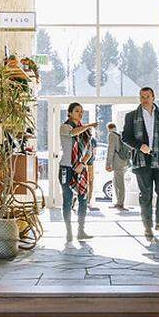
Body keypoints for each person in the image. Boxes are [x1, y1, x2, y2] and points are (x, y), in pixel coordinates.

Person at [121, 87, 159, 240]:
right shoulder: (131, 116)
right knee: (145, 195)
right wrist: (140, 146)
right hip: (142, 161)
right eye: (142, 96)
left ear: (153, 97)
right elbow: (125, 137)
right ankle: (147, 226)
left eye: (147, 96)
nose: (144, 99)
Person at [59, 103, 98, 243]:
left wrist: (82, 163)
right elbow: (72, 133)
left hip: (80, 168)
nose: (80, 113)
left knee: (83, 200)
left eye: (82, 111)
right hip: (66, 168)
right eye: (77, 111)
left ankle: (81, 231)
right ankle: (68, 232)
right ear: (69, 113)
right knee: (67, 200)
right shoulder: (65, 126)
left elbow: (89, 152)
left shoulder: (86, 132)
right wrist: (88, 126)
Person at [104, 123, 131, 210]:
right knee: (116, 181)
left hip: (118, 162)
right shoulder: (120, 134)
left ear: (108, 128)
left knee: (119, 183)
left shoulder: (112, 135)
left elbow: (110, 150)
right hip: (124, 161)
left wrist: (107, 164)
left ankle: (120, 204)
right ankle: (118, 202)